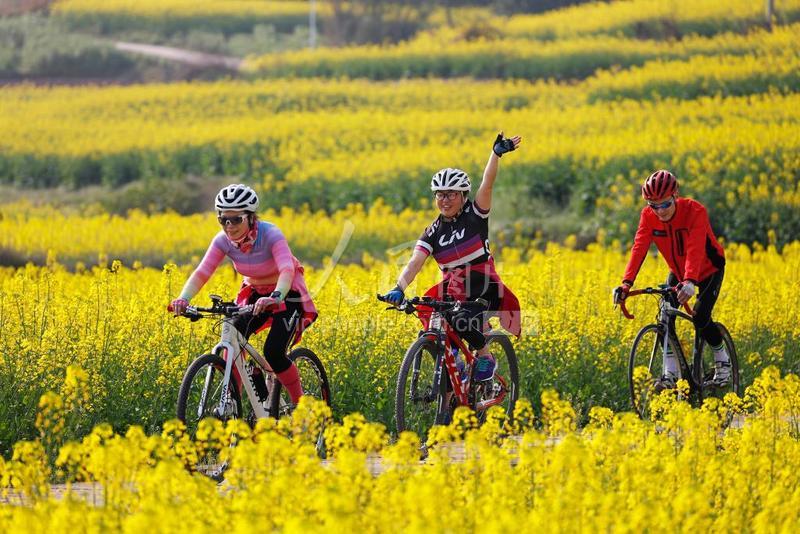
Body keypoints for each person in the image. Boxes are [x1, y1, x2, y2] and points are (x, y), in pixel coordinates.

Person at [382, 133, 522, 382]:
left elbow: (487, 184)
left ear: (463, 196)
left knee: (460, 317)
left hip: (483, 282)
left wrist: (495, 154)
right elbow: (415, 262)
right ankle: (447, 404)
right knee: (431, 318)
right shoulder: (433, 231)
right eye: (440, 195)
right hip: (454, 287)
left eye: (451, 194)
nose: (444, 200)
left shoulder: (475, 214)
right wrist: (398, 287)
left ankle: (485, 356)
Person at [170, 184, 317, 406]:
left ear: (250, 217)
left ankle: (302, 406)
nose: (229, 226)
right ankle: (231, 401)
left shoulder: (270, 234)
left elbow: (287, 269)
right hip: (256, 294)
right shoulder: (222, 241)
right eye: (223, 220)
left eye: (236, 219)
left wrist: (276, 296)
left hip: (287, 294)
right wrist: (183, 298)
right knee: (234, 336)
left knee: (274, 351)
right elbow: (202, 272)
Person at [613, 170, 728, 390]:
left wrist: (691, 281)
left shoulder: (695, 211)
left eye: (664, 204)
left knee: (700, 316)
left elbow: (695, 247)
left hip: (708, 269)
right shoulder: (648, 216)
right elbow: (639, 247)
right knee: (665, 316)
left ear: (675, 195)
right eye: (653, 205)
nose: (659, 211)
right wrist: (626, 283)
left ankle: (722, 360)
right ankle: (671, 374)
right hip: (678, 271)